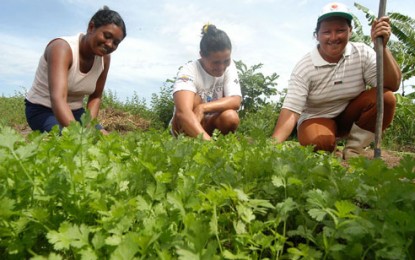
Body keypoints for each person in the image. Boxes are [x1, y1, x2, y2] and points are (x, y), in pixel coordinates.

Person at [271, 2, 401, 159]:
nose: (333, 37)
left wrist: (382, 47)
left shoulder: (362, 53)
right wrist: (271, 146)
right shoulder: (305, 67)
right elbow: (291, 111)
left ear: (350, 31)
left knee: (385, 97)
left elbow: (391, 85)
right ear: (316, 35)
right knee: (319, 144)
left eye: (340, 30)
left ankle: (354, 150)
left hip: (349, 116)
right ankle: (330, 148)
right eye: (326, 32)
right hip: (317, 118)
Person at [25, 6, 126, 134]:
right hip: (42, 109)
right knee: (67, 140)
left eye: (116, 43)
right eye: (106, 36)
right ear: (91, 27)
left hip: (76, 112)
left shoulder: (104, 58)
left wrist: (89, 127)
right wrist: (78, 134)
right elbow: (58, 98)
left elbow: (96, 96)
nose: (109, 44)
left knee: (104, 138)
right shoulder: (62, 48)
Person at [171, 24, 242, 140]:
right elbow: (183, 113)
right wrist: (210, 147)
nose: (222, 67)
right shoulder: (189, 70)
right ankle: (194, 141)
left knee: (231, 117)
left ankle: (216, 141)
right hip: (185, 126)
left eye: (226, 61)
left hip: (210, 123)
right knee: (194, 100)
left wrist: (203, 108)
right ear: (202, 55)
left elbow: (235, 100)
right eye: (216, 62)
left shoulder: (230, 66)